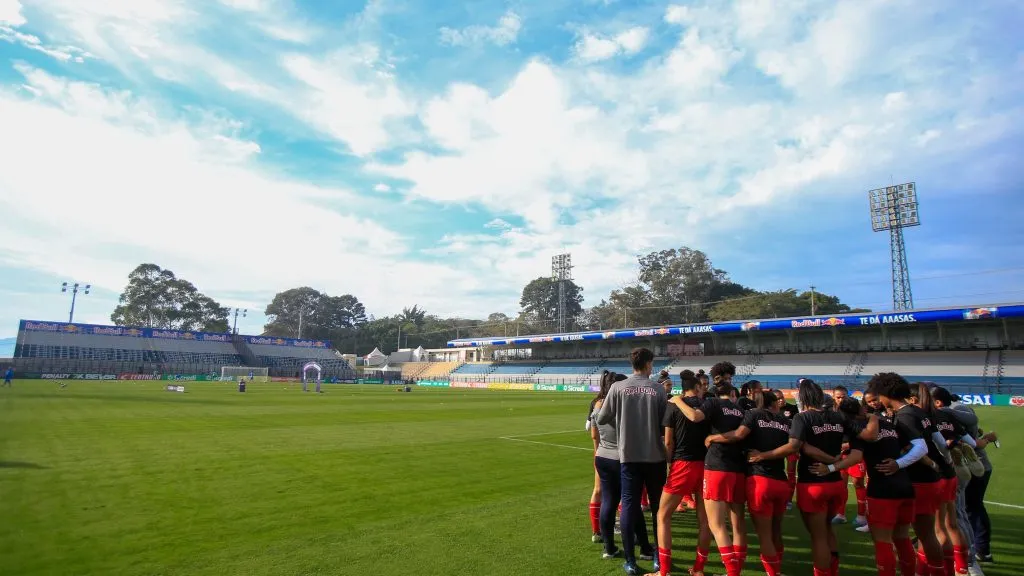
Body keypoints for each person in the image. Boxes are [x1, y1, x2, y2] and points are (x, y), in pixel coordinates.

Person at [748, 379, 879, 576]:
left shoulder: (803, 418)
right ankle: (832, 571)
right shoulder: (838, 417)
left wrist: (763, 455)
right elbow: (869, 436)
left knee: (818, 537)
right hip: (835, 483)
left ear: (802, 398)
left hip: (813, 482)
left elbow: (796, 446)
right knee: (828, 530)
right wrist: (873, 416)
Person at [817, 391, 918, 576]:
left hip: (882, 489)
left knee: (883, 541)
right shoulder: (888, 423)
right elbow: (911, 448)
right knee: (903, 538)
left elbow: (856, 456)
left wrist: (831, 468)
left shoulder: (860, 430)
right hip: (905, 485)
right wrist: (898, 462)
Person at [597, 348, 668, 576]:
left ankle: (630, 561)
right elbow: (663, 424)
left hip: (628, 456)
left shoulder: (618, 388)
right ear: (648, 364)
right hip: (655, 456)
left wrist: (626, 417)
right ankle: (658, 557)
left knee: (629, 505)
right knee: (658, 507)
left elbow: (602, 418)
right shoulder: (657, 389)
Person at [706, 389, 791, 576]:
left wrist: (713, 437)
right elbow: (793, 447)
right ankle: (777, 569)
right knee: (776, 531)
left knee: (764, 536)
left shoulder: (753, 414)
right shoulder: (786, 421)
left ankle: (772, 573)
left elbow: (738, 434)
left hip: (760, 480)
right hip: (782, 482)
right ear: (775, 404)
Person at [668, 382, 747, 576]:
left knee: (716, 525)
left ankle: (732, 572)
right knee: (737, 525)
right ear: (732, 393)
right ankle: (734, 570)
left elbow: (695, 417)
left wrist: (677, 400)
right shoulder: (740, 409)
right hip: (738, 469)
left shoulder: (713, 403)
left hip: (717, 467)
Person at [872, 373, 947, 576]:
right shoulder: (918, 411)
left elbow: (921, 447)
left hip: (921, 481)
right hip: (932, 479)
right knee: (927, 534)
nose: (878, 399)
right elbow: (939, 441)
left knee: (924, 535)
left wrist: (898, 463)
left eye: (879, 394)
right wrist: (943, 463)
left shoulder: (905, 415)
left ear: (886, 394)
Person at [648, 370, 712, 576]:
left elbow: (668, 441)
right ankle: (698, 569)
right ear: (697, 387)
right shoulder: (708, 405)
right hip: (706, 465)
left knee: (663, 516)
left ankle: (663, 571)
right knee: (705, 521)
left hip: (683, 465)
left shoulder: (674, 405)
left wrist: (669, 461)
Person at [914, 384, 971, 576]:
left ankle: (935, 571)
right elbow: (968, 442)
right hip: (949, 472)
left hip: (933, 474)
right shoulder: (945, 416)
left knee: (933, 530)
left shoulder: (918, 418)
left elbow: (919, 449)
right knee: (951, 525)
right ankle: (962, 569)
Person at [593, 372, 649, 559]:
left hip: (603, 455)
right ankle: (644, 547)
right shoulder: (622, 406)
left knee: (608, 502)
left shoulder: (598, 404)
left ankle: (609, 547)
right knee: (630, 502)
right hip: (624, 458)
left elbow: (595, 434)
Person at [947, 394, 998, 565]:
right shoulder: (959, 408)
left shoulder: (954, 411)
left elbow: (974, 441)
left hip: (972, 466)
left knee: (967, 509)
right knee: (969, 508)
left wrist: (985, 439)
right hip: (975, 466)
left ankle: (976, 553)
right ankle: (980, 551)